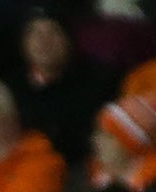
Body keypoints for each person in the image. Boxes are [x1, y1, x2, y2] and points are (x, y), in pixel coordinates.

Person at [11, 4, 114, 165]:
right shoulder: (11, 88)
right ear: (23, 43)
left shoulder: (98, 80)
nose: (44, 41)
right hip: (29, 173)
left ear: (68, 39)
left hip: (84, 171)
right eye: (34, 33)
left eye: (53, 31)